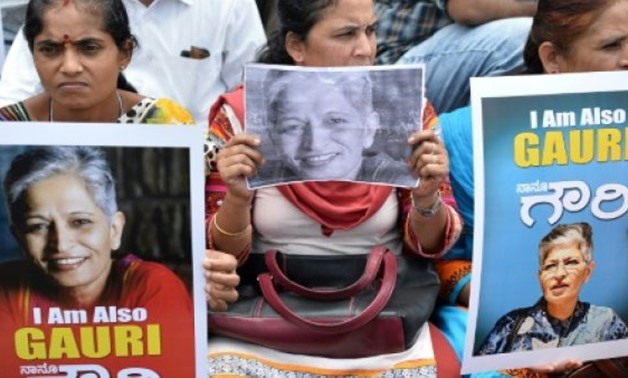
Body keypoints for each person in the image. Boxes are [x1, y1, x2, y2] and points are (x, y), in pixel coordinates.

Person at [203, 0, 464, 375]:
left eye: (370, 31)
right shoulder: (241, 118)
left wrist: (425, 198)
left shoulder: (411, 113)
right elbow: (221, 258)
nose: (366, 49)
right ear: (296, 46)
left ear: (372, 124)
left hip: (383, 318)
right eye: (346, 34)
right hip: (262, 322)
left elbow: (430, 245)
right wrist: (238, 197)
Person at [0, 146, 195, 376]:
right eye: (38, 226)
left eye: (80, 221)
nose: (61, 244)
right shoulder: (6, 288)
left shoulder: (151, 286)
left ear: (114, 230)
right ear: (20, 238)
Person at [0, 0, 266, 122]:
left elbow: (254, 98)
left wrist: (217, 160)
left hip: (198, 164)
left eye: (90, 48)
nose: (70, 66)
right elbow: (13, 97)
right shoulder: (63, 7)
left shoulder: (228, 4)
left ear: (125, 53)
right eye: (51, 50)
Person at [249, 67, 417, 188]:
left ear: (368, 129)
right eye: (293, 126)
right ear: (273, 135)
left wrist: (426, 198)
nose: (315, 143)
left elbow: (429, 237)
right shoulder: (256, 177)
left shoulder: (399, 178)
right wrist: (237, 195)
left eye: (335, 121)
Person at [477, 222, 628, 355]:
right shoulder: (511, 325)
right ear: (540, 277)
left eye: (571, 262)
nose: (559, 274)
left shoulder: (606, 322)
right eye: (550, 266)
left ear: (587, 272)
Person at [374, 0, 536, 114]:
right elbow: (468, 7)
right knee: (523, 35)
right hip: (395, 70)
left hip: (443, 58)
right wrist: (551, 9)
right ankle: (475, 152)